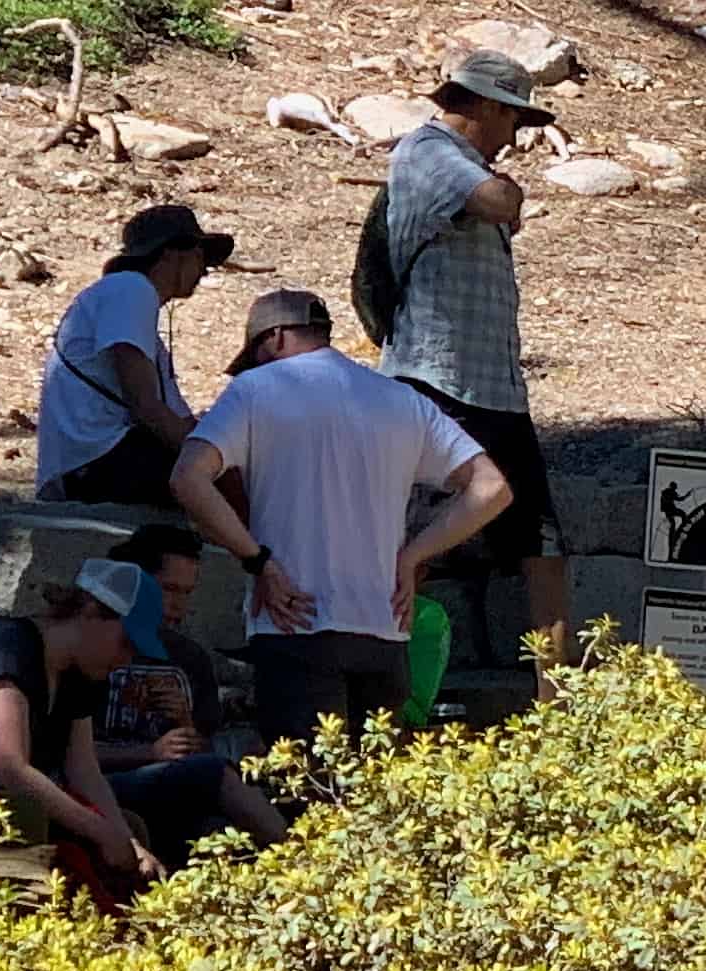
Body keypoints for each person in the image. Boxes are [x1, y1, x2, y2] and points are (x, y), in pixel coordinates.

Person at [170, 289, 511, 743]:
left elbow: (187, 478)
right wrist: (411, 558)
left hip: (292, 624)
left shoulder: (253, 391)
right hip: (385, 629)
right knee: (373, 798)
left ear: (273, 337)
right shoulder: (401, 400)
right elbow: (492, 488)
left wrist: (257, 560)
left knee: (304, 798)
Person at [379, 50, 570, 699]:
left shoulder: (456, 161)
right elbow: (499, 199)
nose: (515, 135)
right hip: (436, 382)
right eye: (513, 117)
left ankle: (558, 704)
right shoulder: (426, 151)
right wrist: (509, 193)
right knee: (418, 545)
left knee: (540, 542)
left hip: (493, 389)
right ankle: (390, 695)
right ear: (487, 106)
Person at [0, 559, 169, 883]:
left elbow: (84, 770)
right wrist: (100, 832)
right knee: (28, 817)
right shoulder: (5, 648)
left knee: (130, 826)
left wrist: (127, 842)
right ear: (91, 611)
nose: (125, 660)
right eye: (126, 643)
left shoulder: (80, 676)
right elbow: (9, 768)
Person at [74, 526, 286, 867]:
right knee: (214, 776)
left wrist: (183, 721)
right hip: (106, 785)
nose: (178, 604)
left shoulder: (189, 658)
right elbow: (72, 756)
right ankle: (300, 859)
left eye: (187, 592)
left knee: (218, 832)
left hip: (174, 788)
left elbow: (202, 747)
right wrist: (150, 752)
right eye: (168, 589)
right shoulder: (96, 647)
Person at [34, 204, 234, 508]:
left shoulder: (125, 299)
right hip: (102, 460)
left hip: (91, 463)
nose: (204, 270)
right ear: (172, 253)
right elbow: (146, 407)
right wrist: (213, 461)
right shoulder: (131, 288)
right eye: (199, 256)